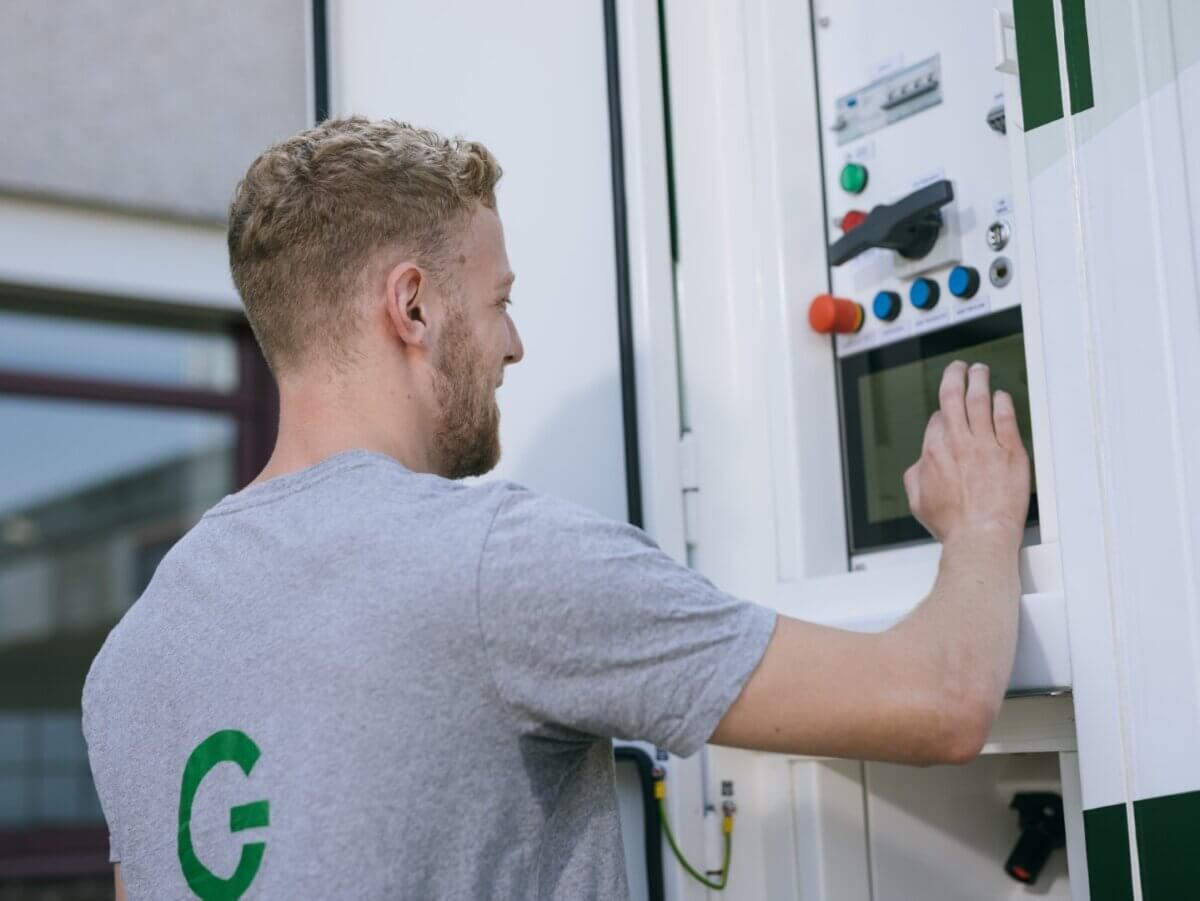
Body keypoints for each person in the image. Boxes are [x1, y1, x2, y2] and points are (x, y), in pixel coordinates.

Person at [83, 117, 1031, 900]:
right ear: (412, 307)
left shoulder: (133, 656)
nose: (515, 344)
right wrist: (983, 523)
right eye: (499, 300)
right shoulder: (494, 562)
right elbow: (942, 701)